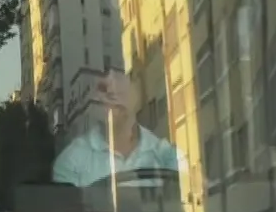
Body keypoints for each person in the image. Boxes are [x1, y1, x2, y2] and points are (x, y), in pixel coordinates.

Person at [53, 69, 182, 187]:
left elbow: (186, 205)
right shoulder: (71, 162)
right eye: (102, 87)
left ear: (137, 90)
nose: (111, 88)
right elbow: (68, 210)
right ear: (94, 99)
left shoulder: (167, 157)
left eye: (120, 76)